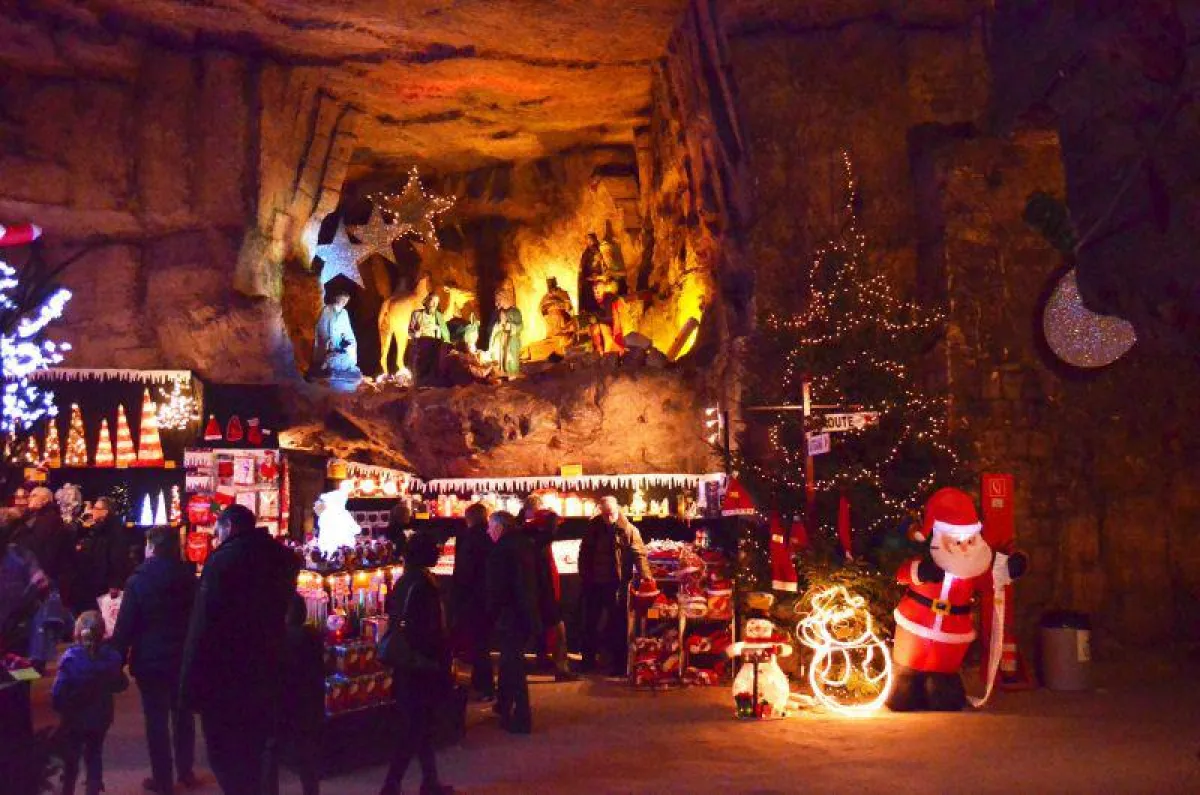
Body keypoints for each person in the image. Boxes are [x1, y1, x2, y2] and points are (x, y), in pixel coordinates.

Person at [180, 505, 298, 795]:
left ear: (229, 527)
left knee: (226, 754)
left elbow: (203, 626)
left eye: (217, 532)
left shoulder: (223, 562)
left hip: (227, 674)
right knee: (256, 748)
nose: (216, 538)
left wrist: (190, 686)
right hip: (266, 667)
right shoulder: (280, 559)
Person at [111, 526, 199, 794]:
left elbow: (126, 624)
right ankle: (186, 772)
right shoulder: (190, 579)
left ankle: (163, 779)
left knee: (156, 721)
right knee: (183, 715)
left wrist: (116, 657)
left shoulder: (138, 581)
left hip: (150, 660)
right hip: (182, 657)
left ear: (151, 547)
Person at [379, 532, 454, 795]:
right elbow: (427, 628)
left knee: (420, 726)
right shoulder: (422, 584)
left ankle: (428, 781)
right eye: (434, 548)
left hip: (410, 662)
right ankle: (392, 784)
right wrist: (439, 658)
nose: (438, 552)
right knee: (415, 726)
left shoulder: (406, 580)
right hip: (420, 662)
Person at [52, 610, 129, 795]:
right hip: (101, 716)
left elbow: (59, 692)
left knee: (71, 757)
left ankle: (67, 790)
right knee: (94, 754)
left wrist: (60, 707)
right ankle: (93, 788)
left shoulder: (70, 660)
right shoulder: (111, 658)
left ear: (77, 632)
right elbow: (121, 684)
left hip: (74, 718)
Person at [577, 496, 653, 677]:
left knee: (618, 625)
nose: (608, 517)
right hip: (594, 583)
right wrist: (584, 576)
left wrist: (647, 578)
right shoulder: (593, 528)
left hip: (617, 584)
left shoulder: (628, 529)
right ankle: (588, 661)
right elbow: (584, 553)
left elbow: (639, 554)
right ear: (600, 512)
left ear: (617, 509)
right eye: (605, 514)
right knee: (590, 623)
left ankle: (619, 664)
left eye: (610, 514)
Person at [485, 511, 539, 734]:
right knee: (509, 663)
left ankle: (522, 716)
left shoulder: (501, 551)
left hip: (511, 614)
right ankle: (504, 705)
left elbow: (498, 588)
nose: (488, 531)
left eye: (490, 526)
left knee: (513, 665)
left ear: (499, 527)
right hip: (525, 611)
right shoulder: (524, 544)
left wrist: (491, 612)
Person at [523, 503, 576, 682]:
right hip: (544, 592)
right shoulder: (540, 540)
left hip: (533, 592)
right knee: (558, 629)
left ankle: (541, 659)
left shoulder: (527, 537)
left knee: (536, 630)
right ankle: (561, 669)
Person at [281, 595, 325, 795]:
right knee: (307, 757)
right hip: (310, 704)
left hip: (289, 703)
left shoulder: (285, 638)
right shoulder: (313, 636)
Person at [451, 502, 494, 700]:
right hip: (488, 597)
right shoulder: (491, 538)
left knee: (477, 644)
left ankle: (485, 686)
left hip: (472, 598)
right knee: (482, 642)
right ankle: (480, 682)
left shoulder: (467, 539)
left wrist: (458, 596)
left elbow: (464, 572)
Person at [311, 291, 361, 381]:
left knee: (349, 350)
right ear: (337, 298)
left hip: (339, 343)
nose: (344, 302)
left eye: (346, 300)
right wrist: (328, 341)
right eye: (343, 299)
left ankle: (344, 368)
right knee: (329, 356)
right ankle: (323, 368)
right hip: (328, 343)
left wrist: (349, 341)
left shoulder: (344, 313)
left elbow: (347, 330)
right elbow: (321, 327)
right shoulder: (327, 310)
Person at [488, 295, 523, 378]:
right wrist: (499, 326)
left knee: (511, 355)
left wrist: (510, 326)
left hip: (511, 337)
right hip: (503, 336)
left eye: (499, 300)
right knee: (502, 354)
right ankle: (503, 369)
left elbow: (520, 326)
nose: (497, 303)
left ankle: (513, 371)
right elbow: (497, 325)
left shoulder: (515, 312)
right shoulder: (500, 312)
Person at [577, 233, 604, 315]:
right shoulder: (586, 254)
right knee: (590, 298)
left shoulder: (600, 249)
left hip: (601, 279)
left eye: (591, 239)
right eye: (588, 239)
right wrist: (588, 277)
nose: (590, 241)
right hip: (589, 281)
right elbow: (583, 269)